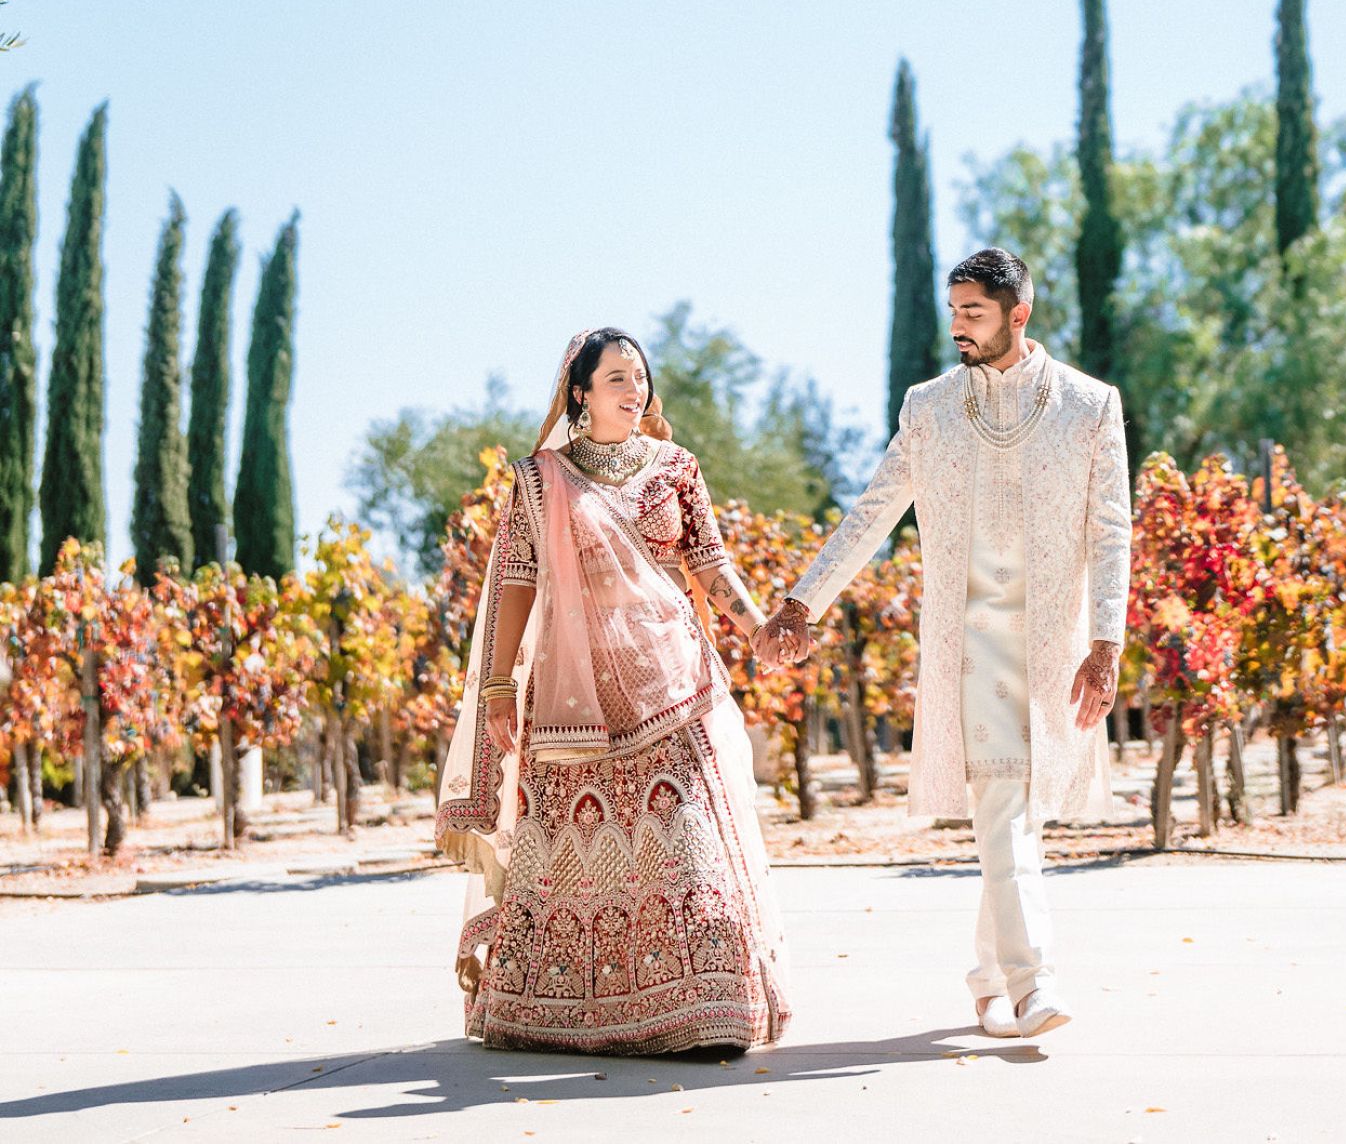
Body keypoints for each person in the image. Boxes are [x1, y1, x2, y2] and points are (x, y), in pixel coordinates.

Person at [754, 247, 1130, 1039]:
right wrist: (801, 600)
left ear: (1018, 315)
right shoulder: (928, 407)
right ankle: (1034, 983)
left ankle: (989, 984)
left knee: (1015, 814)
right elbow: (873, 510)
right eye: (952, 310)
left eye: (974, 313)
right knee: (1001, 802)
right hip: (968, 649)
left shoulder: (1090, 407)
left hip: (1054, 645)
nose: (956, 325)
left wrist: (1106, 643)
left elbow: (1112, 533)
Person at [436, 326, 790, 1057]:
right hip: (576, 700)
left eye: (640, 377)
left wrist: (757, 627)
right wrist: (501, 687)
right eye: (619, 379)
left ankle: (708, 1012)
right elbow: (516, 585)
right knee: (574, 857)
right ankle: (558, 1015)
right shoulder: (540, 479)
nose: (636, 392)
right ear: (582, 393)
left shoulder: (677, 468)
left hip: (674, 687)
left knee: (692, 844)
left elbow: (711, 564)